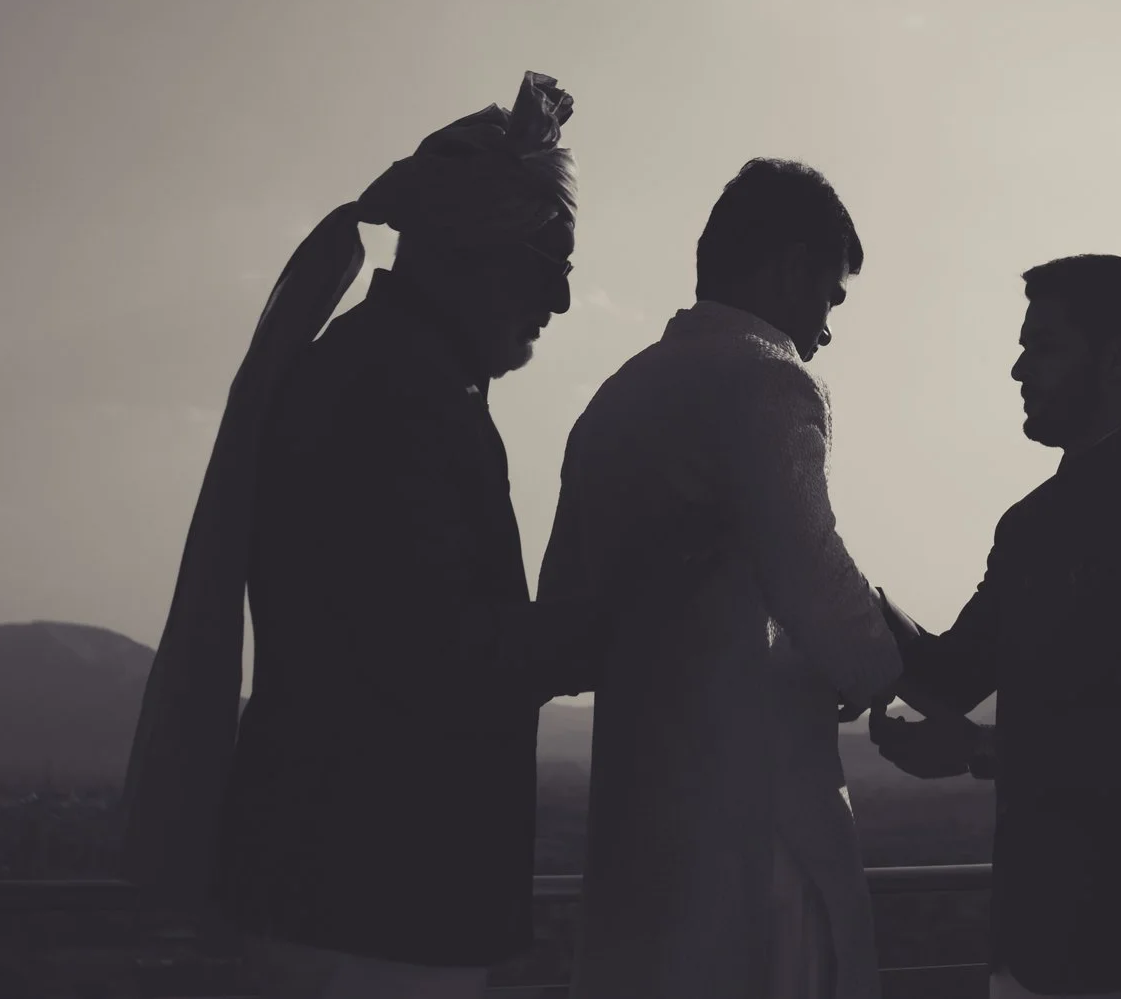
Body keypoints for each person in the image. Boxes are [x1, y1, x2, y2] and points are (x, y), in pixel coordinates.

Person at [122, 73, 694, 999]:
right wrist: (624, 603)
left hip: (338, 893)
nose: (559, 300)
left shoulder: (385, 374)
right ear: (475, 244)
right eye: (550, 260)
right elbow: (440, 652)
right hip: (370, 901)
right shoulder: (401, 396)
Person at [539, 159, 905, 999]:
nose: (825, 330)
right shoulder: (770, 378)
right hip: (757, 819)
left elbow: (563, 626)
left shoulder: (612, 400)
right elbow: (815, 576)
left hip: (638, 819)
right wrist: (883, 662)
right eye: (829, 295)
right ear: (787, 269)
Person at [870, 255, 1121, 999]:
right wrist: (834, 581)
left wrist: (979, 748)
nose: (1017, 368)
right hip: (1031, 944)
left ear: (1116, 360)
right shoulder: (1028, 526)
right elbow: (952, 671)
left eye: (1043, 345)